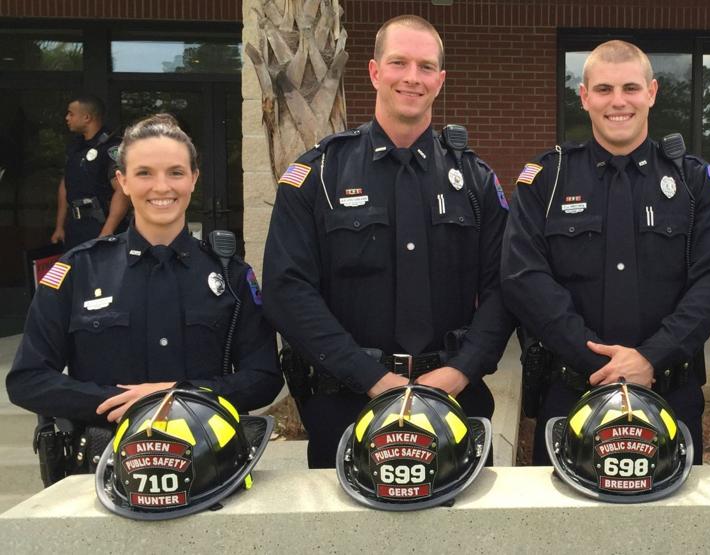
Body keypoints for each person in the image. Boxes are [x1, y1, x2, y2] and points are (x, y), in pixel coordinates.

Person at [262, 15, 513, 469]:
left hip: (456, 399)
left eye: (425, 66)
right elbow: (287, 291)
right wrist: (371, 377)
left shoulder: (475, 181)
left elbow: (504, 287)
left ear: (440, 80)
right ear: (376, 72)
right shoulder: (318, 175)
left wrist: (462, 369)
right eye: (399, 63)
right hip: (347, 403)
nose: (411, 77)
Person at [502, 40, 710, 466]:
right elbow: (524, 277)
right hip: (572, 391)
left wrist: (651, 357)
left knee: (673, 527)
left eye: (630, 88)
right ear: (584, 96)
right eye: (605, 89)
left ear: (651, 93)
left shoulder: (693, 181)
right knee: (563, 526)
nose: (618, 102)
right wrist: (599, 363)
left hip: (671, 391)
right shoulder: (546, 179)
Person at [8, 113, 282, 463]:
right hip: (103, 466)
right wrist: (117, 402)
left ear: (194, 179)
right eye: (144, 173)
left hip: (209, 468)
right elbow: (28, 380)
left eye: (176, 172)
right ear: (122, 181)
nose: (162, 187)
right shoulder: (78, 270)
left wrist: (176, 396)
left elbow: (263, 378)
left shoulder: (230, 275)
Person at [52, 95, 129, 249]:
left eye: (71, 114)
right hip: (75, 227)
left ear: (87, 117)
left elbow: (122, 191)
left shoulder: (111, 147)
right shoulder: (75, 147)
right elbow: (65, 184)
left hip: (101, 225)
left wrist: (107, 231)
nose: (67, 118)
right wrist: (59, 226)